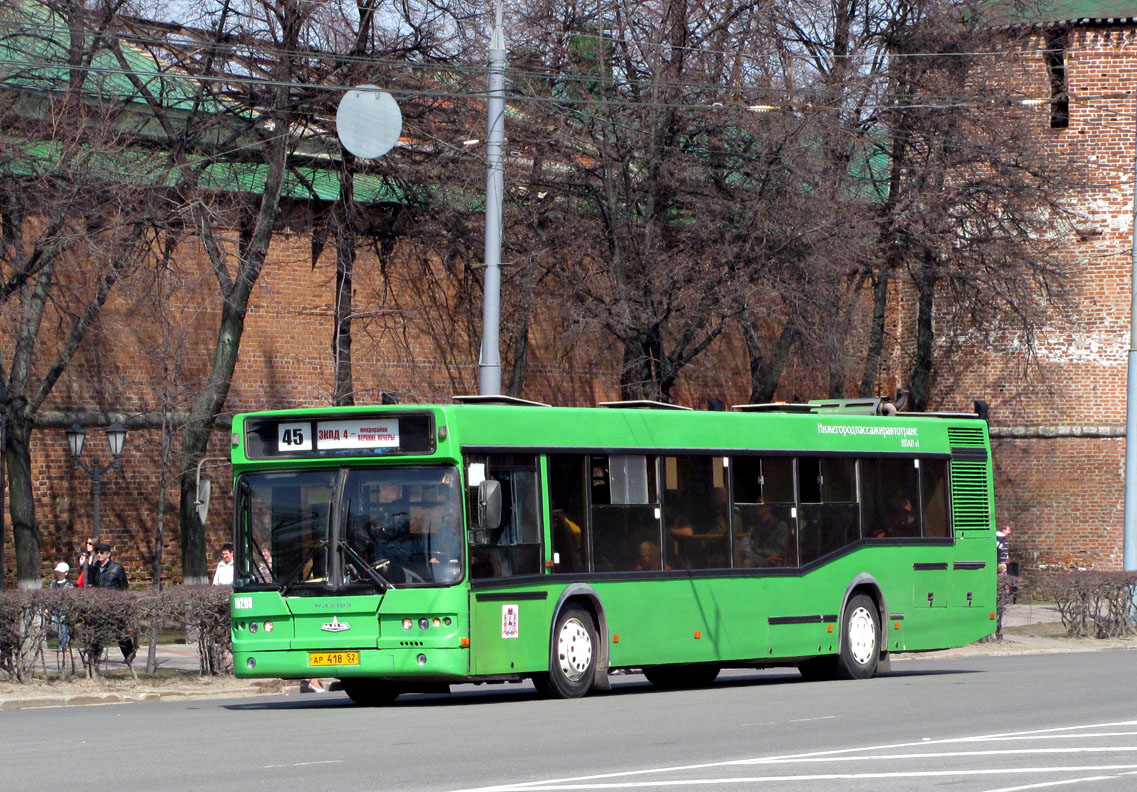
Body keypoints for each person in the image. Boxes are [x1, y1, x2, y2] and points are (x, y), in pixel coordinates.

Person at [87, 542, 135, 664]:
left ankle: (129, 653)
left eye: (101, 552)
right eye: (97, 552)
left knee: (119, 631)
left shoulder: (116, 568)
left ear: (108, 554)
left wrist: (124, 605)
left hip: (114, 605)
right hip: (99, 605)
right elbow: (91, 585)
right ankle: (94, 657)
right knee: (98, 631)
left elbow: (124, 587)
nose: (99, 555)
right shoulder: (94, 568)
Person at [48, 562, 75, 651]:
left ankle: (63, 645)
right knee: (55, 627)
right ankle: (61, 642)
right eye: (58, 571)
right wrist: (47, 608)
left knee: (63, 627)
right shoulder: (53, 584)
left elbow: (71, 598)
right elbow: (49, 597)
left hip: (64, 609)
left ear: (66, 573)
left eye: (61, 571)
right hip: (54, 609)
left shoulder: (69, 585)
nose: (59, 573)